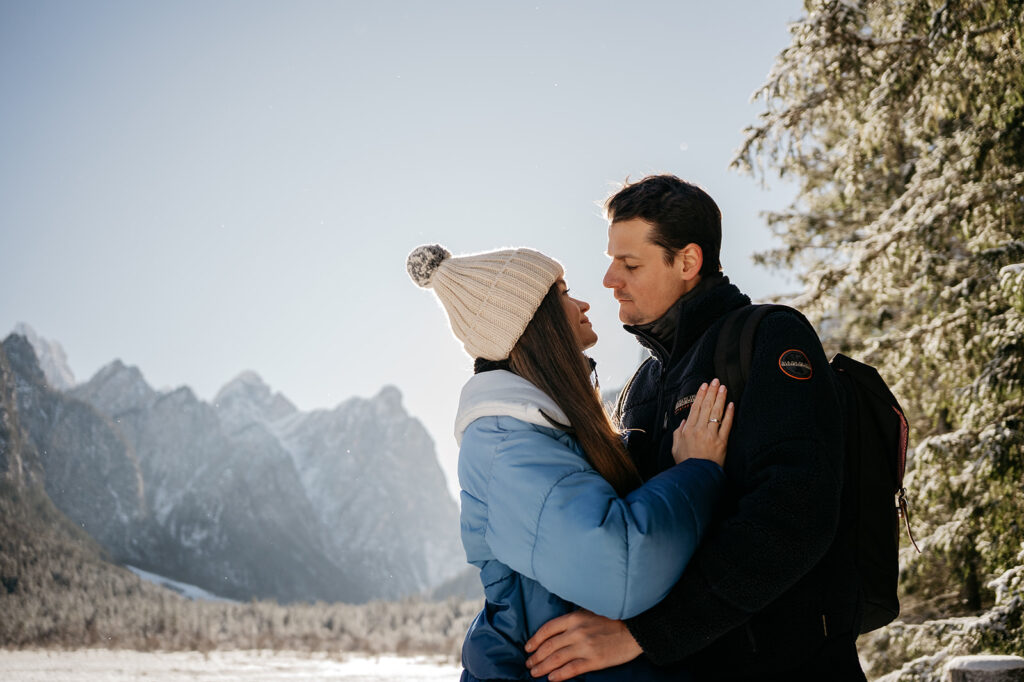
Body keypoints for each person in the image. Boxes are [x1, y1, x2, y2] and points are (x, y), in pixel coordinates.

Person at [523, 175, 864, 681]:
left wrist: (645, 633)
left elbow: (794, 517)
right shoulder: (644, 384)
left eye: (630, 263)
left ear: (687, 262)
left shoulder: (768, 339)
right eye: (612, 260)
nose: (610, 280)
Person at [406, 243, 734, 681]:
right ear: (531, 321)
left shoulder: (540, 430)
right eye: (562, 292)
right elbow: (618, 567)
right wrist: (696, 471)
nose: (581, 302)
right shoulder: (506, 442)